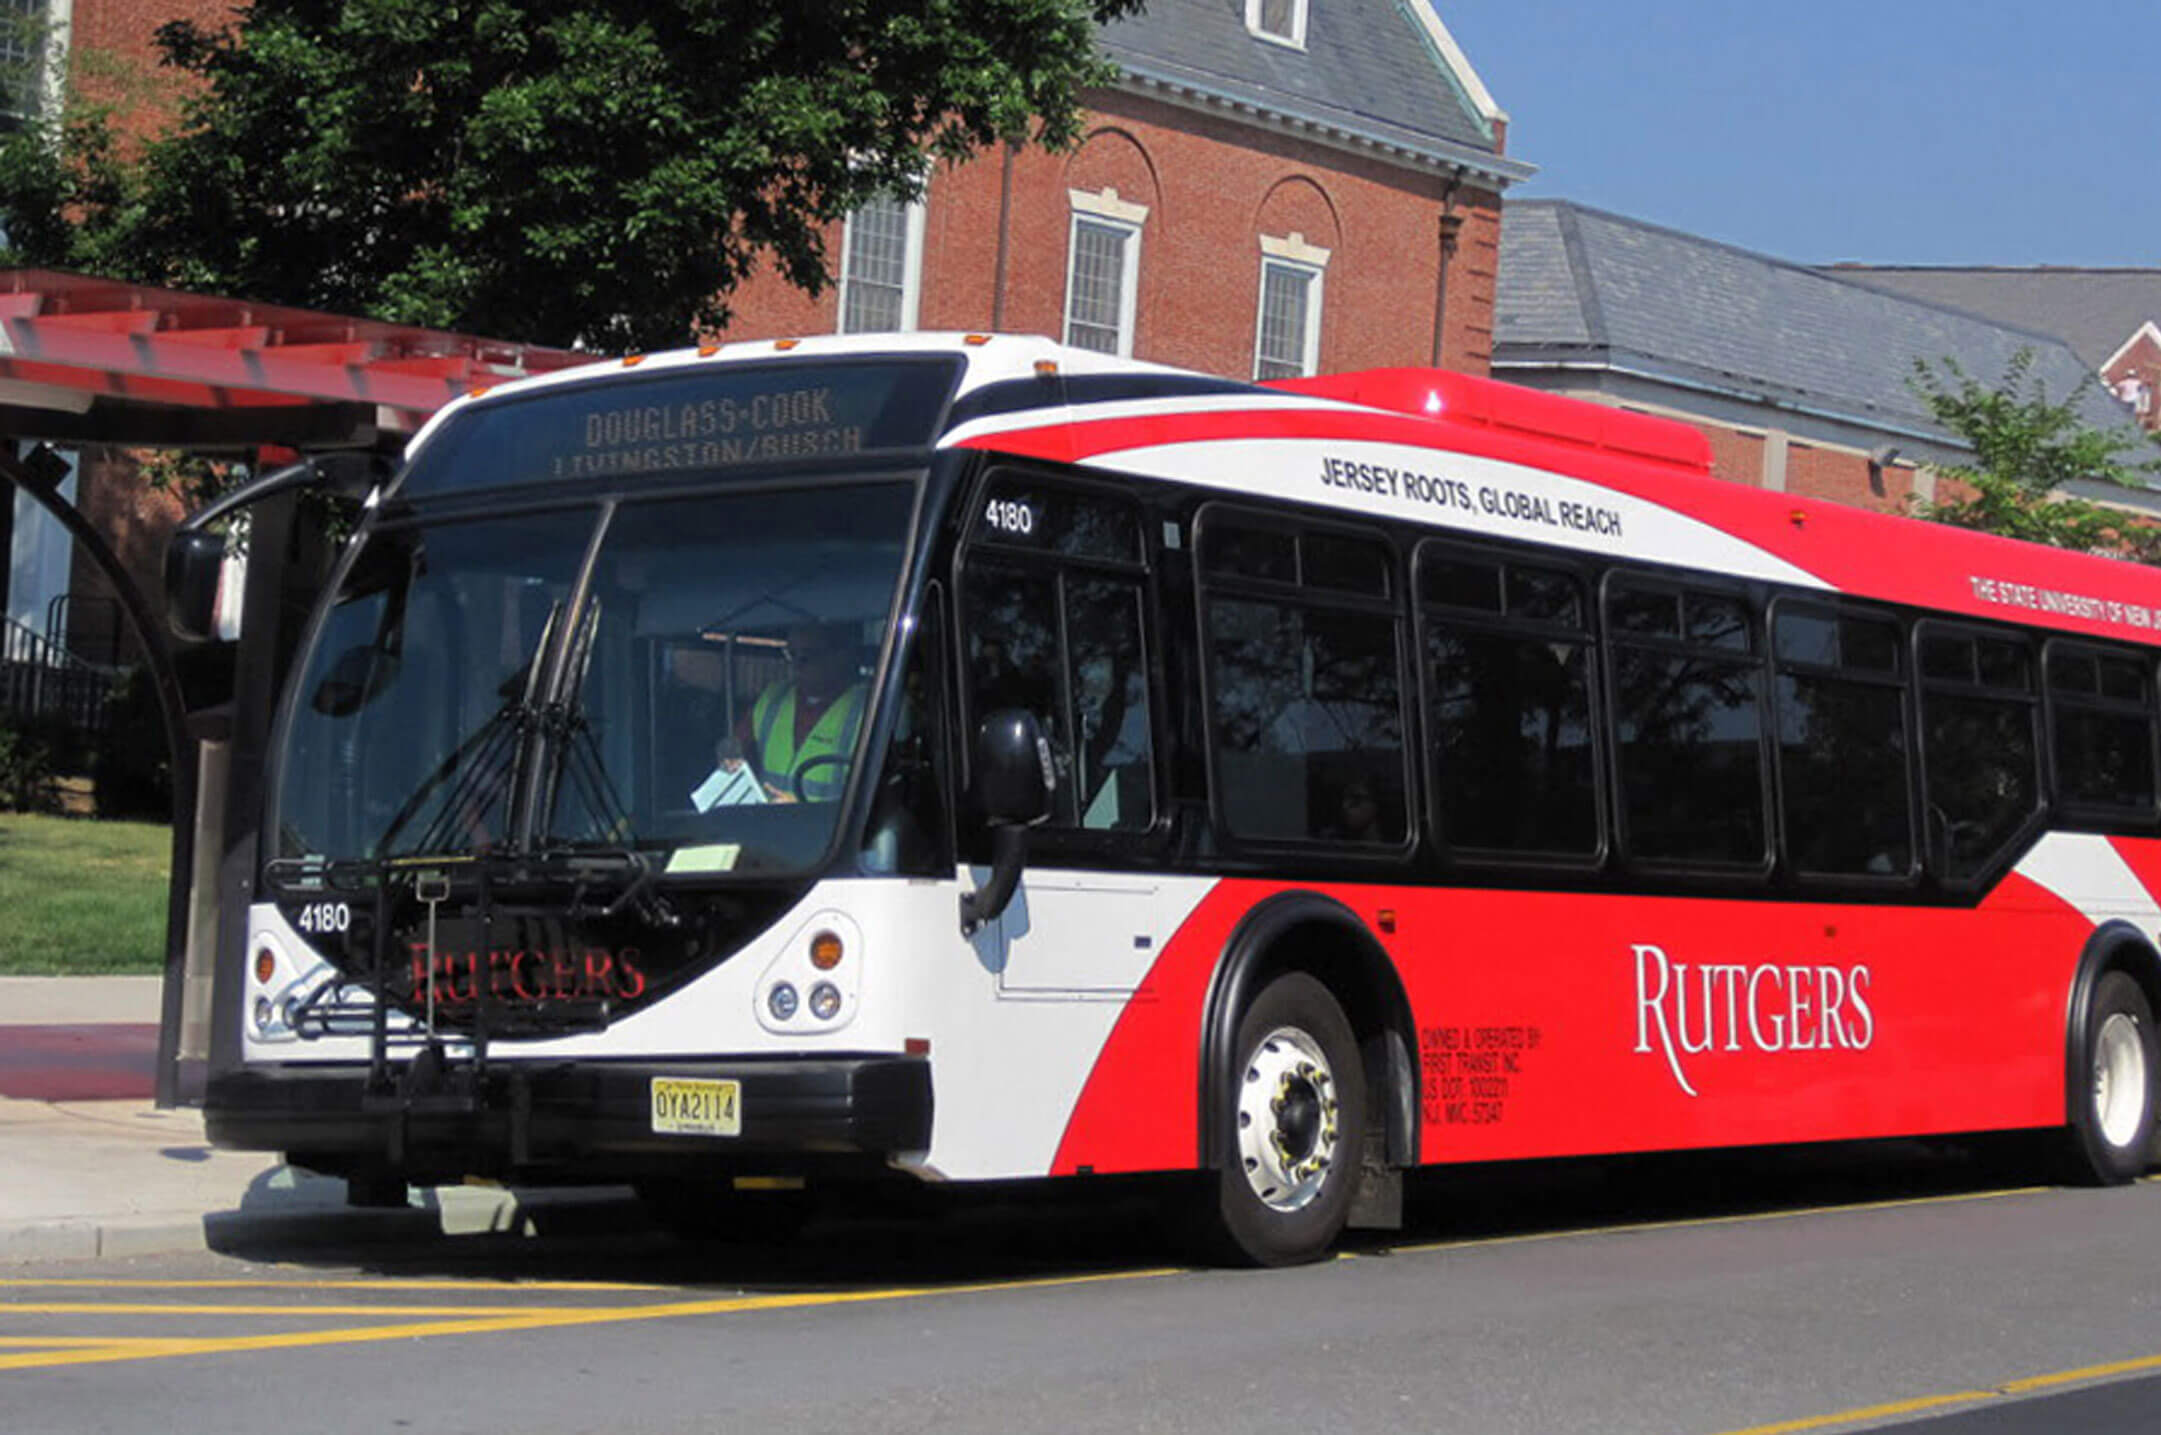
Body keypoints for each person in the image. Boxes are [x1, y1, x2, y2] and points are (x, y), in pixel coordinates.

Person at [720, 622, 870, 803]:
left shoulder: (871, 709)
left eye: (809, 656)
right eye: (792, 655)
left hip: (834, 829)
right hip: (764, 825)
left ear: (842, 655)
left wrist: (799, 810)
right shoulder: (772, 699)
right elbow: (735, 750)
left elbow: (876, 800)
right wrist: (729, 756)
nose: (797, 665)